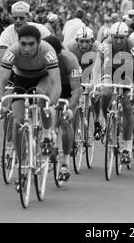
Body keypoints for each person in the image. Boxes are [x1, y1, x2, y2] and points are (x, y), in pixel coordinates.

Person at [0, 25, 61, 188]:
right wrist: (1, 105)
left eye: (31, 44)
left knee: (40, 96)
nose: (26, 48)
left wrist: (50, 105)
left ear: (39, 43)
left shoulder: (48, 50)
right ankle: (23, 164)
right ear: (18, 42)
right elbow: (1, 82)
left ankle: (46, 134)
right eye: (23, 44)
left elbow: (56, 84)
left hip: (43, 78)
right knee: (18, 122)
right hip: (21, 79)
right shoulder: (12, 51)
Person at [92, 22, 134, 164]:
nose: (118, 41)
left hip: (128, 72)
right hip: (110, 70)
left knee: (127, 106)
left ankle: (126, 148)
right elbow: (97, 65)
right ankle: (107, 119)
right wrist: (96, 84)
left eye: (121, 38)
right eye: (116, 38)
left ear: (126, 37)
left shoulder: (133, 44)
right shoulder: (106, 44)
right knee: (106, 92)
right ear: (111, 36)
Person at [44, 35, 82, 181]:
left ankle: (65, 162)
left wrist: (70, 109)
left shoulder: (70, 60)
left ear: (59, 53)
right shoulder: (39, 58)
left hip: (67, 88)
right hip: (49, 87)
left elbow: (77, 89)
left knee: (66, 122)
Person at [0, 1, 51, 75]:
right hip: (17, 72)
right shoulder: (6, 33)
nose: (18, 21)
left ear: (28, 17)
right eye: (15, 18)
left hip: (40, 71)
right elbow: (1, 59)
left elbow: (53, 52)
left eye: (21, 18)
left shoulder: (42, 30)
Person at [66, 26, 102, 138]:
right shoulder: (70, 47)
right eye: (82, 41)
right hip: (76, 68)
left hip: (92, 68)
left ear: (92, 41)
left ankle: (97, 120)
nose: (84, 45)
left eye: (87, 42)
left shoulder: (98, 48)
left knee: (95, 93)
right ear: (77, 41)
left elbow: (98, 69)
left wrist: (94, 84)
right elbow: (69, 68)